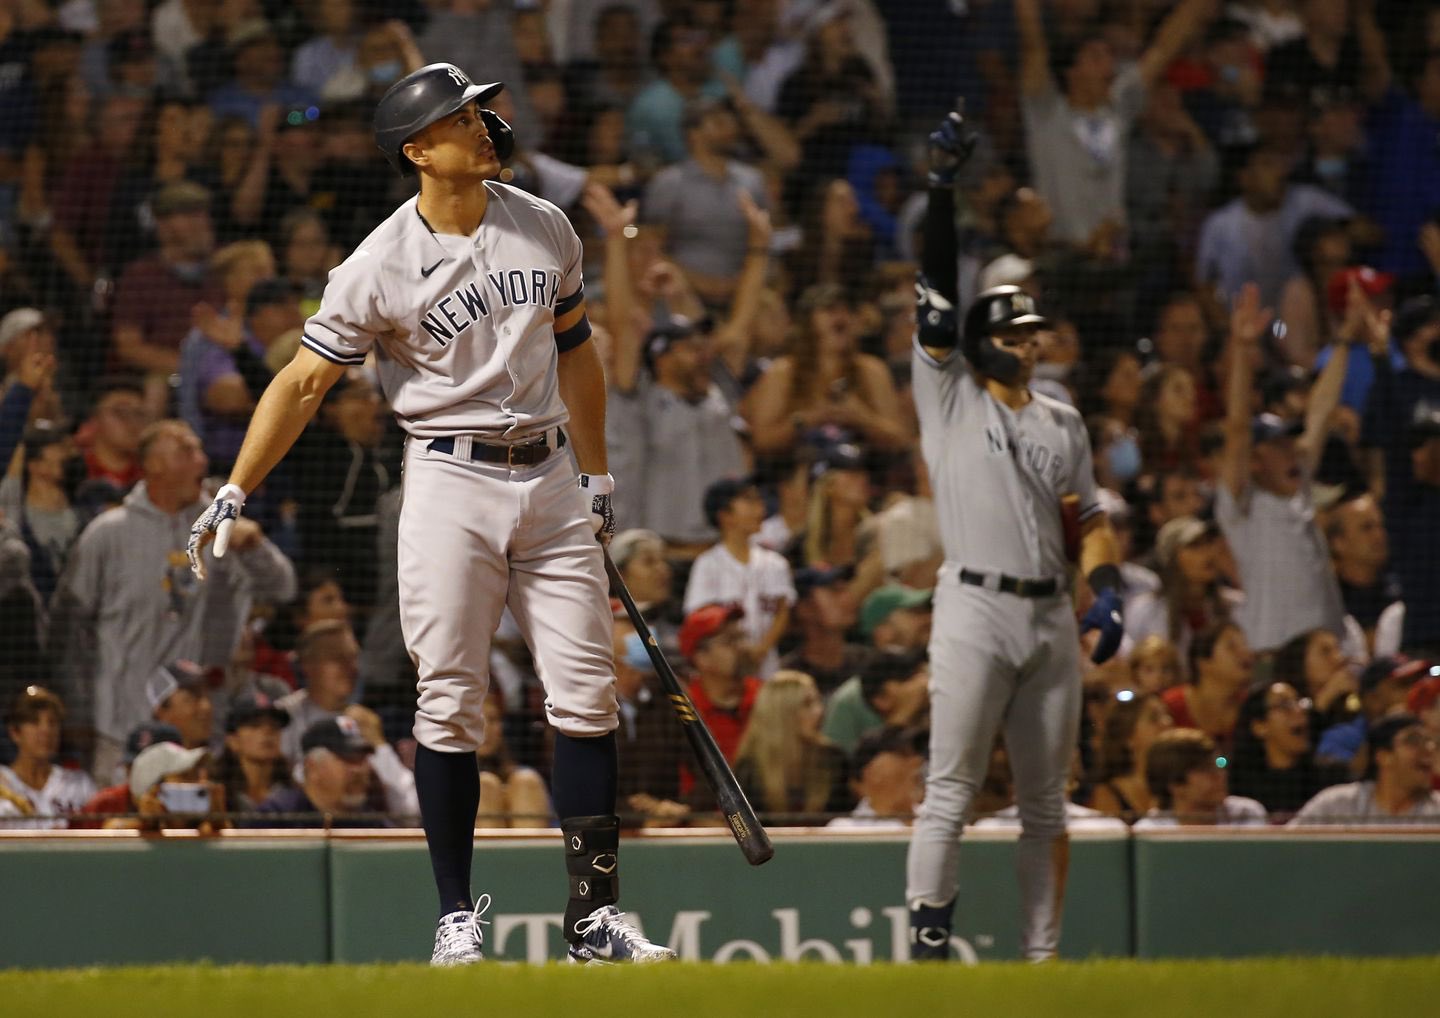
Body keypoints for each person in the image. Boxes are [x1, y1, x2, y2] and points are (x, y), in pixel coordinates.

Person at [184, 64, 674, 966]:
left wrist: (598, 477)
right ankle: (456, 916)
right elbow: (302, 382)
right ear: (418, 149)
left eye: (480, 111)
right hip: (449, 481)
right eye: (460, 117)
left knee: (589, 696)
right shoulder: (376, 263)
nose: (484, 125)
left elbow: (580, 354)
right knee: (449, 703)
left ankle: (593, 916)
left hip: (553, 475)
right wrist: (234, 487)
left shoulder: (545, 224)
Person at [904, 110, 1125, 963]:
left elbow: (1092, 520)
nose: (1028, 346)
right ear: (980, 342)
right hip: (973, 606)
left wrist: (1104, 589)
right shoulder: (947, 392)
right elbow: (933, 297)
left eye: (1032, 334)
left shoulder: (1063, 419)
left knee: (1047, 804)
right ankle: (928, 942)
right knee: (949, 790)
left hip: (1048, 618)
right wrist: (941, 191)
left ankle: (1041, 961)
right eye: (1013, 334)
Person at [49, 420, 296, 784]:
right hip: (120, 728)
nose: (202, 461)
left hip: (201, 733)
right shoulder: (108, 534)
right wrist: (79, 713)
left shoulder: (222, 524)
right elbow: (69, 630)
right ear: (153, 466)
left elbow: (283, 589)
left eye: (199, 450)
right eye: (187, 451)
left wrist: (255, 546)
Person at [1216, 283, 1378, 654]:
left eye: (1292, 444)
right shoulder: (1241, 507)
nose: (1292, 453)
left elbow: (1320, 410)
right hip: (1275, 654)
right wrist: (1242, 350)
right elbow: (1239, 429)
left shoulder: (1299, 484)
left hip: (1327, 650)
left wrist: (1344, 341)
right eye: (1279, 447)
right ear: (1256, 461)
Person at [682, 476, 795, 676]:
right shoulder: (708, 564)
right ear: (725, 515)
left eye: (758, 500)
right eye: (749, 501)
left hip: (767, 666)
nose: (759, 507)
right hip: (724, 668)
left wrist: (761, 650)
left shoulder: (776, 563)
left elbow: (782, 612)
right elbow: (699, 616)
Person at [733, 670, 852, 823]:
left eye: (818, 701)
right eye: (807, 704)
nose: (819, 711)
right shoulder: (750, 770)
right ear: (782, 713)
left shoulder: (834, 759)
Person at [677, 603, 762, 803]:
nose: (743, 647)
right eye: (730, 641)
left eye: (742, 637)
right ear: (701, 658)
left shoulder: (765, 698)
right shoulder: (683, 710)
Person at [1290, 714, 1440, 824]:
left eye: (1430, 742)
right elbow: (1284, 849)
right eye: (1413, 741)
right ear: (1383, 756)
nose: (1429, 748)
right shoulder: (1335, 805)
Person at [1230, 681, 1348, 815]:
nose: (1300, 710)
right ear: (1260, 727)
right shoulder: (1239, 785)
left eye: (1300, 702)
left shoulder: (1332, 777)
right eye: (1284, 705)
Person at [249, 716, 385, 829]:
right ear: (312, 766)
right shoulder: (275, 819)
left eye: (363, 759)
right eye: (348, 759)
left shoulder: (371, 823)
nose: (358, 769)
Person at [0, 686, 97, 829]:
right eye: (34, 722)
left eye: (52, 722)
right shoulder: (3, 784)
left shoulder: (79, 784)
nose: (46, 730)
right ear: (15, 732)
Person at [1134, 727, 1268, 828]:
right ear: (1176, 786)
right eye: (1205, 769)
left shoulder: (1246, 815)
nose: (1220, 775)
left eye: (1218, 765)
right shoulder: (1150, 832)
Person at [821, 648, 929, 756]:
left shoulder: (934, 727)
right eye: (912, 678)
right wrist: (904, 715)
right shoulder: (870, 749)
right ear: (883, 699)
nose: (925, 682)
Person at [1088, 691, 1173, 823]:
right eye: (1154, 718)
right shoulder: (1109, 794)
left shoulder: (1180, 786)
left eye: (1167, 715)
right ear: (1129, 737)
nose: (1167, 722)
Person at [475, 687, 552, 827]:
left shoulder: (521, 777)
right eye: (477, 720)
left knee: (526, 780)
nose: (486, 729)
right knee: (485, 784)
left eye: (492, 720)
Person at [825, 727, 924, 830]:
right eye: (904, 755)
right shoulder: (845, 830)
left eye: (916, 754)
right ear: (873, 771)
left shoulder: (936, 819)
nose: (917, 761)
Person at [213, 689, 293, 815]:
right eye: (255, 725)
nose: (267, 731)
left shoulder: (294, 795)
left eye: (274, 726)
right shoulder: (217, 794)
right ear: (233, 740)